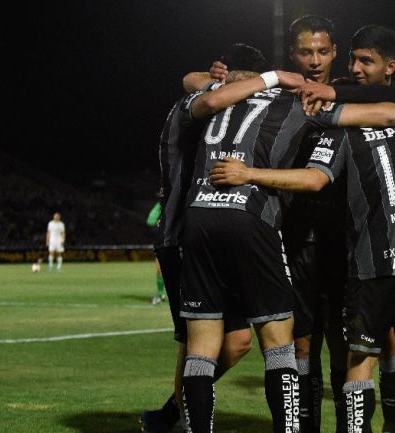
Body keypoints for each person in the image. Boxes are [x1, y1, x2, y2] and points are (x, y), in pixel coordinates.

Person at [179, 48, 395, 433]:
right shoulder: (296, 103)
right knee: (279, 343)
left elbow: (190, 81)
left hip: (199, 215)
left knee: (201, 348)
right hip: (250, 215)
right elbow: (390, 113)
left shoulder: (220, 95)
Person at [211, 119, 395, 433]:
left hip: (352, 252)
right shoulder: (296, 118)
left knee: (364, 347)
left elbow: (315, 179)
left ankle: (390, 423)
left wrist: (248, 174)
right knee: (307, 345)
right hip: (306, 249)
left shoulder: (357, 129)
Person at [139, 45, 270, 433]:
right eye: (249, 84)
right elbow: (194, 83)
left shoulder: (228, 109)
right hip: (182, 234)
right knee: (196, 340)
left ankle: (174, 411)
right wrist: (266, 79)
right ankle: (181, 419)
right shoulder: (199, 104)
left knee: (238, 341)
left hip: (214, 235)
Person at [146, 199, 167, 305]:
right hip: (162, 241)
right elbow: (150, 220)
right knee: (159, 269)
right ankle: (160, 294)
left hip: (177, 241)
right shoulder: (161, 205)